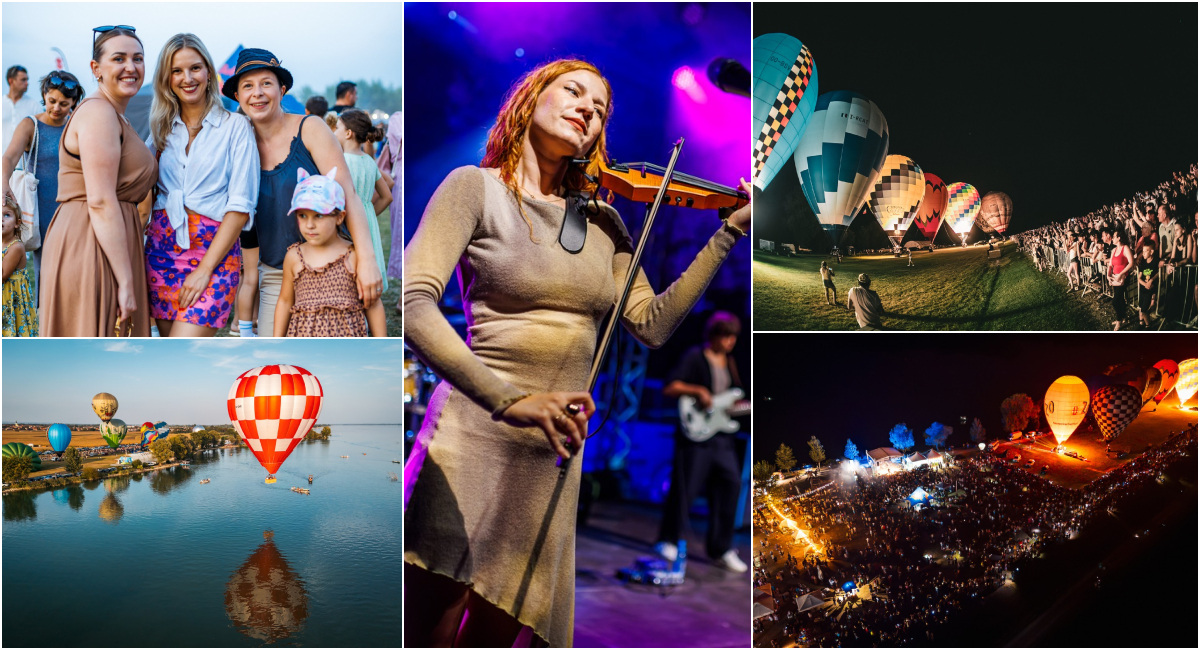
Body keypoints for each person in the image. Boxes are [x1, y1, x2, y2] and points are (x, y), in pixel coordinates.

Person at [403, 59, 750, 648]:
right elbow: (413, 304)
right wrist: (509, 400)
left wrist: (729, 232)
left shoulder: (606, 222)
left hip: (550, 457)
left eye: (601, 108)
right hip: (473, 434)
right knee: (430, 629)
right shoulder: (473, 188)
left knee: (497, 633)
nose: (588, 108)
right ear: (530, 99)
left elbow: (652, 325)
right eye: (573, 91)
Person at [224, 48, 383, 336]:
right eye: (247, 86)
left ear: (282, 89)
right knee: (278, 355)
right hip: (277, 273)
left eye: (266, 83)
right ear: (237, 95)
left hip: (333, 265)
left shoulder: (310, 129)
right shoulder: (237, 142)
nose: (257, 93)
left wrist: (367, 260)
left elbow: (349, 195)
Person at [39, 26, 157, 337]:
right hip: (91, 240)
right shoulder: (99, 114)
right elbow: (101, 201)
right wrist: (126, 280)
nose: (130, 67)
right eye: (118, 59)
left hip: (107, 240)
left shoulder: (115, 115)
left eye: (138, 58)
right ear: (96, 69)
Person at [144, 33, 258, 337]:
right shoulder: (160, 128)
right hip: (161, 251)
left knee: (182, 351)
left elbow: (241, 206)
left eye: (195, 68)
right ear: (167, 79)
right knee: (170, 353)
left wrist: (205, 269)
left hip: (214, 254)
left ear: (209, 72)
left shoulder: (236, 126)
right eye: (177, 71)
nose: (187, 78)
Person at [655, 311, 748, 573]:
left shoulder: (731, 362)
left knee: (731, 485)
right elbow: (670, 387)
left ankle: (721, 548)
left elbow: (731, 399)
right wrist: (697, 390)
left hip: (722, 437)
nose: (730, 341)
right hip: (695, 435)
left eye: (734, 336)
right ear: (714, 335)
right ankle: (668, 540)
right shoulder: (695, 356)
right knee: (686, 488)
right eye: (726, 335)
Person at [273, 168, 385, 336]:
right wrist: (278, 340)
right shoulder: (294, 257)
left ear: (339, 217)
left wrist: (381, 340)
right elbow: (285, 301)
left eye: (318, 216)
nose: (309, 225)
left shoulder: (353, 256)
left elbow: (373, 305)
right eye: (302, 216)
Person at [2, 70, 85, 290]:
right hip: (42, 210)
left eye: (64, 104)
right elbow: (8, 157)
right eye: (52, 101)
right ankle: (46, 311)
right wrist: (4, 183)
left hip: (73, 208)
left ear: (74, 103)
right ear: (44, 96)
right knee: (47, 273)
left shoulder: (76, 125)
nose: (56, 108)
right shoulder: (31, 125)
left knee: (76, 269)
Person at [334, 108, 391, 290]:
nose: (334, 132)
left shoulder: (340, 161)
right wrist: (369, 214)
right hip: (367, 223)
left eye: (337, 127)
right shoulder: (370, 162)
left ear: (348, 133)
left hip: (347, 222)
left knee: (350, 267)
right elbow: (387, 196)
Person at [2, 195, 37, 336]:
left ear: (17, 223)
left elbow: (3, 275)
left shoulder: (16, 247)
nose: (1, 219)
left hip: (10, 300)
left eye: (6, 215)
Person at [3, 66, 39, 153]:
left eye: (27, 79)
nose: (27, 83)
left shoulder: (34, 105)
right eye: (23, 80)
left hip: (24, 160)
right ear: (11, 81)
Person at [1108, 229, 1134, 330]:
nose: (1112, 238)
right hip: (1115, 278)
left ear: (1119, 238)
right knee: (1120, 299)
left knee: (1115, 301)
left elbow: (1131, 263)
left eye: (1114, 236)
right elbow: (1110, 264)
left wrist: (1121, 273)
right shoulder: (1114, 250)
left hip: (1123, 278)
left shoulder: (1125, 248)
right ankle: (1124, 317)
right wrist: (1108, 275)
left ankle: (1119, 321)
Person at [1135, 242, 1158, 328]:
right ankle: (1142, 323)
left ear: (1151, 252)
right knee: (1141, 307)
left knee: (1144, 310)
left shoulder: (1156, 261)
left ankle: (1148, 325)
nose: (1143, 253)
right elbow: (1139, 278)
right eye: (1143, 251)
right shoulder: (1143, 262)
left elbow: (1159, 272)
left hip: (1150, 291)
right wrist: (1145, 284)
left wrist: (1151, 280)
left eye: (1145, 251)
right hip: (1143, 289)